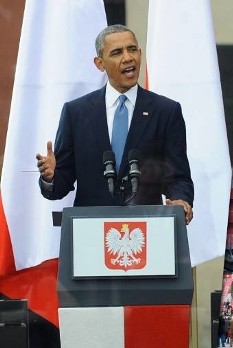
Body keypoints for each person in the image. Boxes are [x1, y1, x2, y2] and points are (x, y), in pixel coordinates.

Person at [35, 24, 193, 221]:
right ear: (100, 63)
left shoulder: (166, 111)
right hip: (91, 232)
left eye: (132, 49)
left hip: (147, 232)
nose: (128, 58)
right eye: (117, 52)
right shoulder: (76, 112)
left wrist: (180, 200)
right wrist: (50, 177)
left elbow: (178, 177)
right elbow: (59, 186)